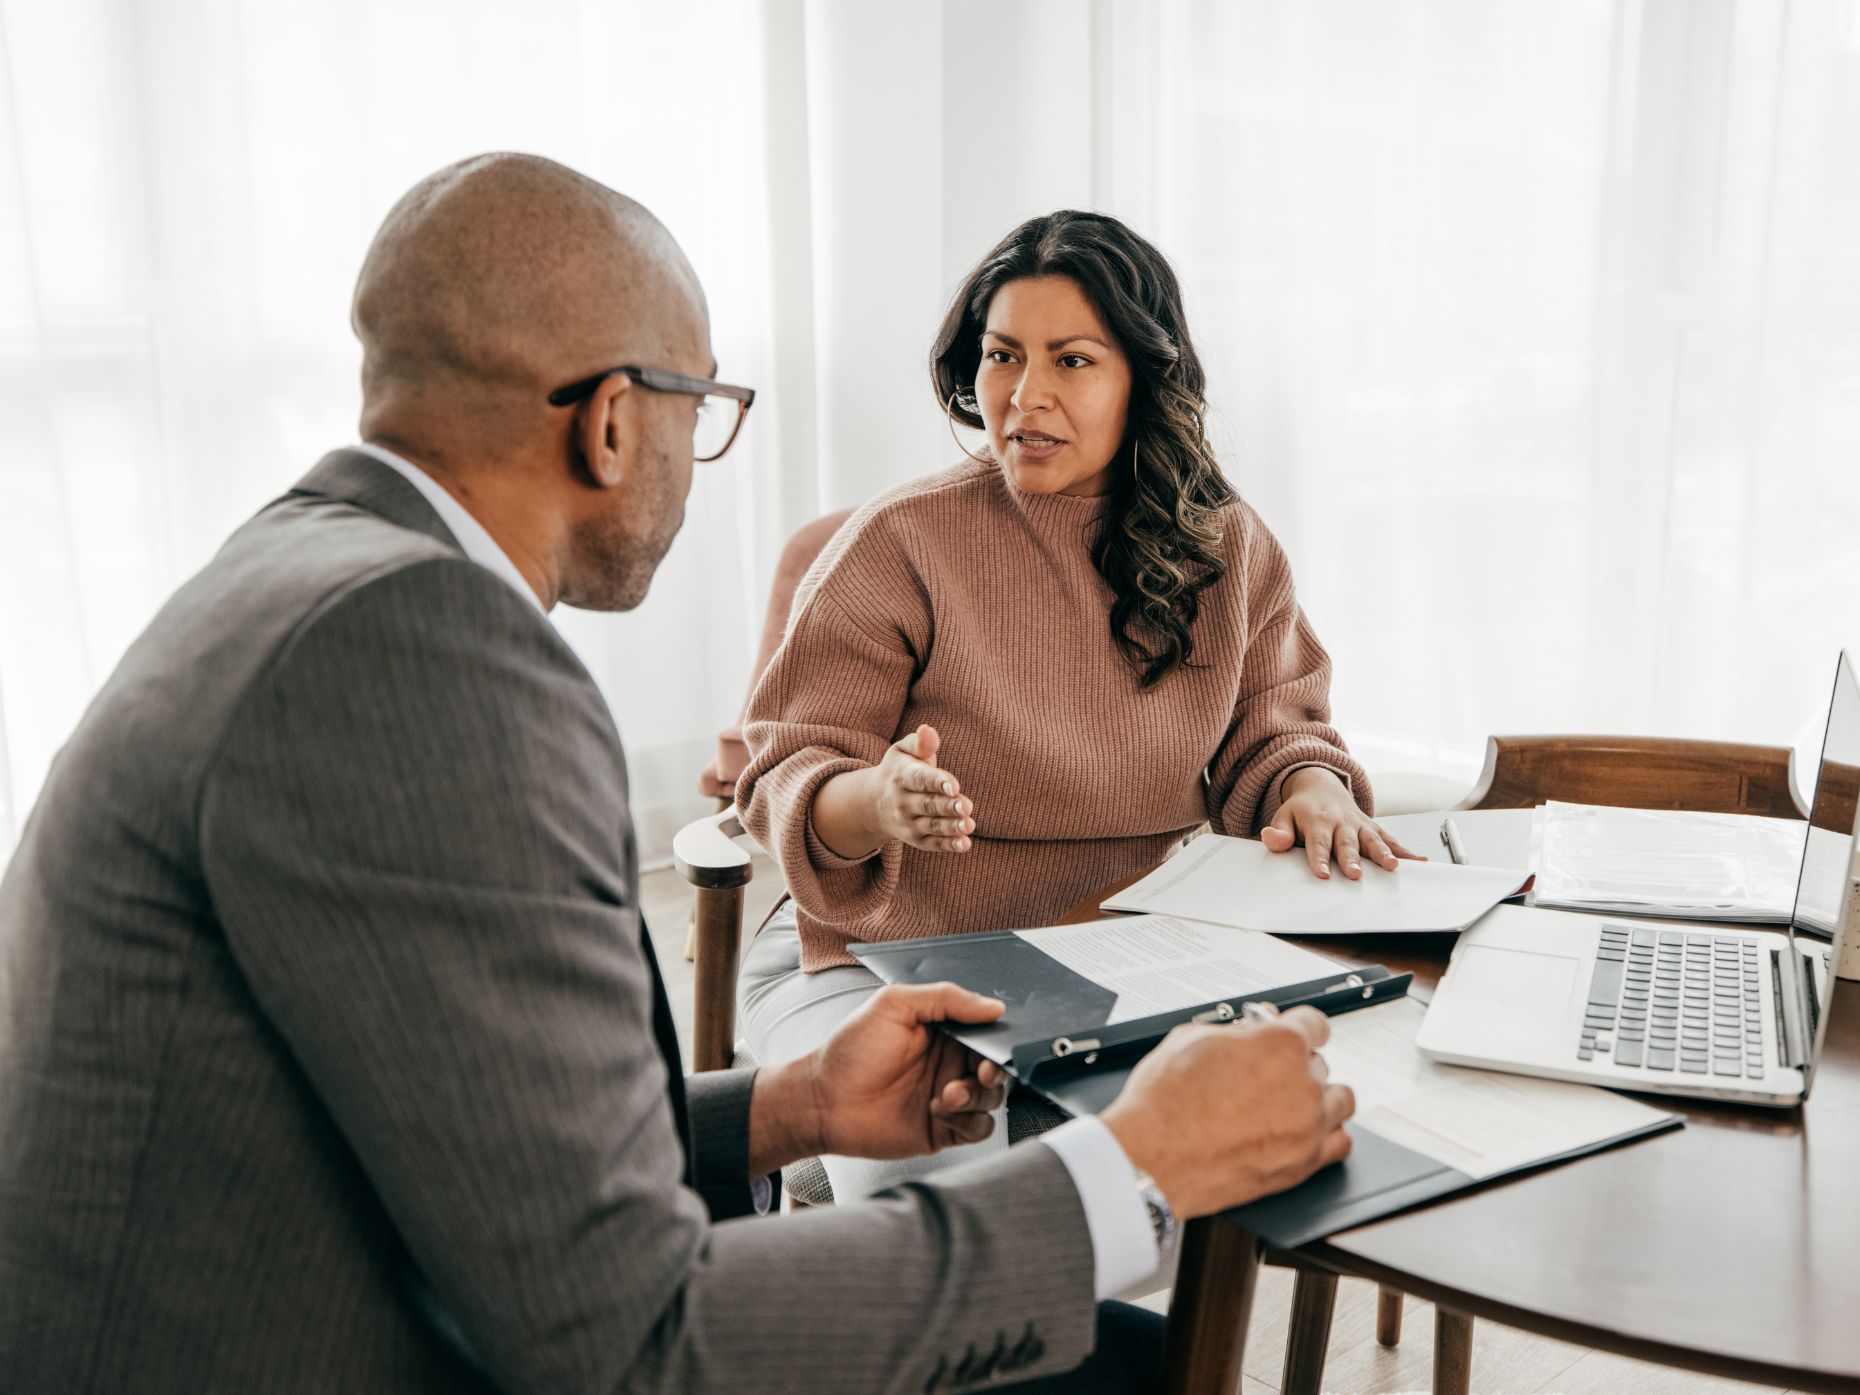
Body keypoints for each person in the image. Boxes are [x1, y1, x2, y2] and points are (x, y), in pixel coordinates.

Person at [0, 155, 1354, 1395]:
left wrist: (796, 1105)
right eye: (700, 407)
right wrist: (1129, 1167)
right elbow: (638, 1336)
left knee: (1107, 1357)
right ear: (608, 422)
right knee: (1117, 1368)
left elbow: (488, 1130)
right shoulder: (420, 654)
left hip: (318, 1285)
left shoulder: (307, 573)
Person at [736, 211, 1412, 1200]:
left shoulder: (1226, 547)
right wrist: (871, 800)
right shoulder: (900, 543)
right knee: (950, 1216)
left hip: (1125, 955)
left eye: (1073, 360)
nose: (1027, 395)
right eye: (1003, 356)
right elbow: (785, 774)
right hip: (889, 957)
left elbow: (1279, 725)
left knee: (1256, 1164)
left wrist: (1309, 789)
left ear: (1143, 377)